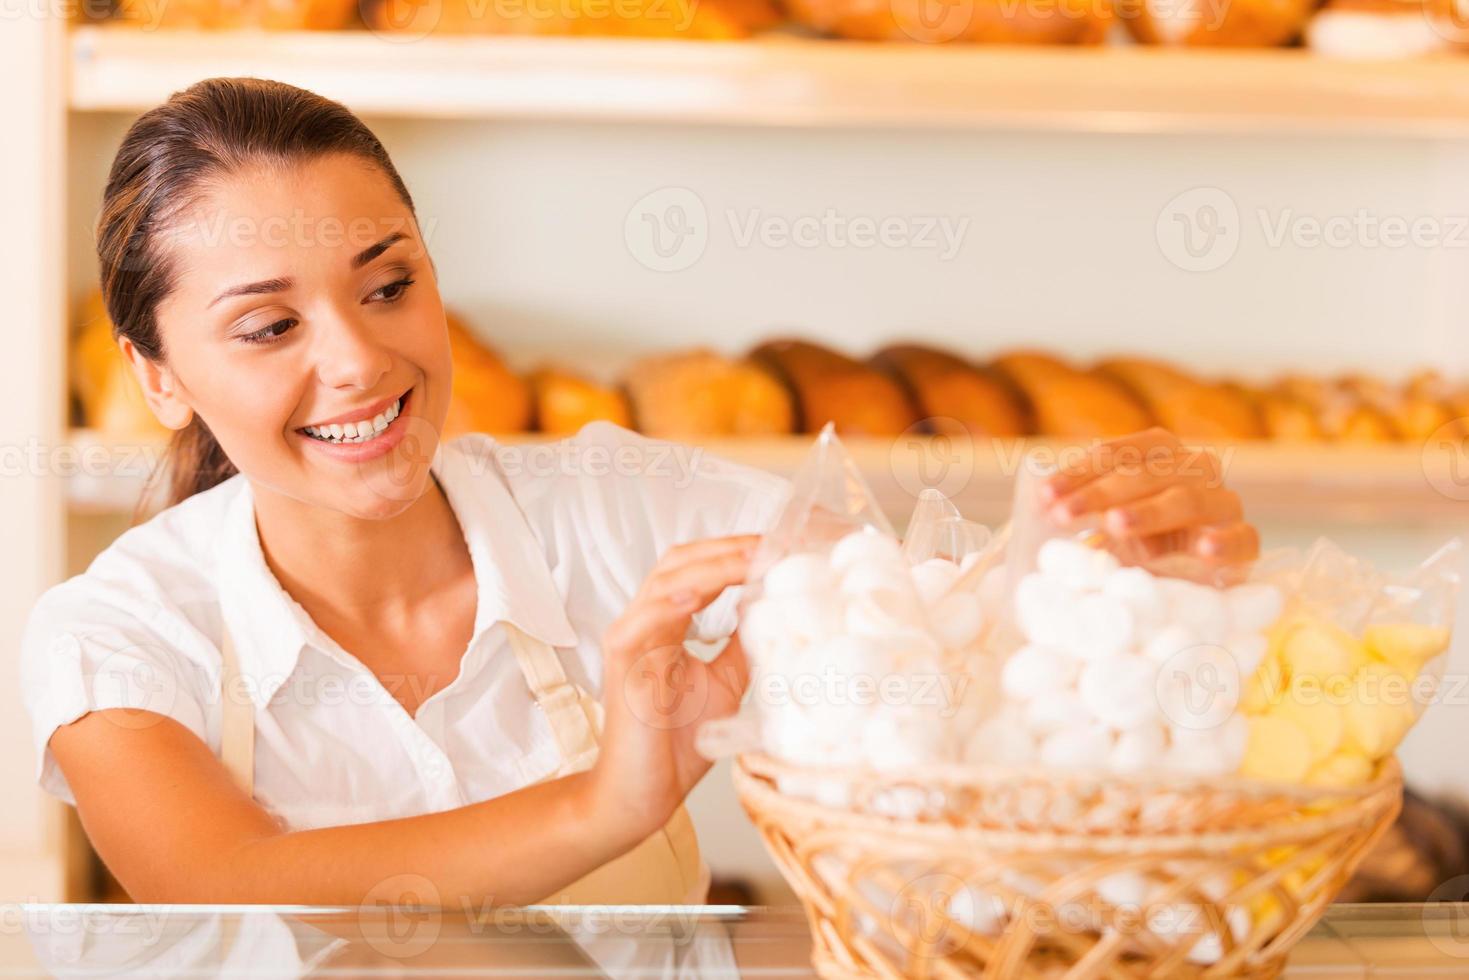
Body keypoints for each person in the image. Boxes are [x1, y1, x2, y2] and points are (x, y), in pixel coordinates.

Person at [20, 76, 1257, 907]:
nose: (357, 359)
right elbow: (224, 882)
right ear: (158, 375)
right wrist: (609, 796)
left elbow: (939, 643)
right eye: (267, 324)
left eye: (386, 285)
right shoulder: (119, 631)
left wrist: (1084, 571)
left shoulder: (618, 506)